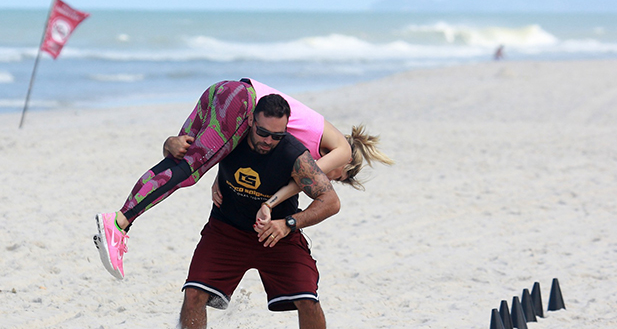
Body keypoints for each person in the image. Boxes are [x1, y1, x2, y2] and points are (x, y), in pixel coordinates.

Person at [94, 78, 393, 280]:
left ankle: (121, 221)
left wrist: (218, 176)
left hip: (225, 91)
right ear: (347, 168)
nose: (333, 178)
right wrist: (273, 201)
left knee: (179, 154)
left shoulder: (311, 133)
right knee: (188, 171)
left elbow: (240, 146)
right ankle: (119, 221)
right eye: (339, 178)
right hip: (242, 102)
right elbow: (304, 181)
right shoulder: (341, 149)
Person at [179, 94, 339, 329]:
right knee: (194, 293)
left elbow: (330, 201)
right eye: (262, 132)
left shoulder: (293, 154)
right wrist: (171, 144)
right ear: (250, 122)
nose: (267, 140)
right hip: (226, 230)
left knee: (308, 300)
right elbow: (185, 148)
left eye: (276, 135)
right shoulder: (229, 139)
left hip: (277, 235)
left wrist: (288, 223)